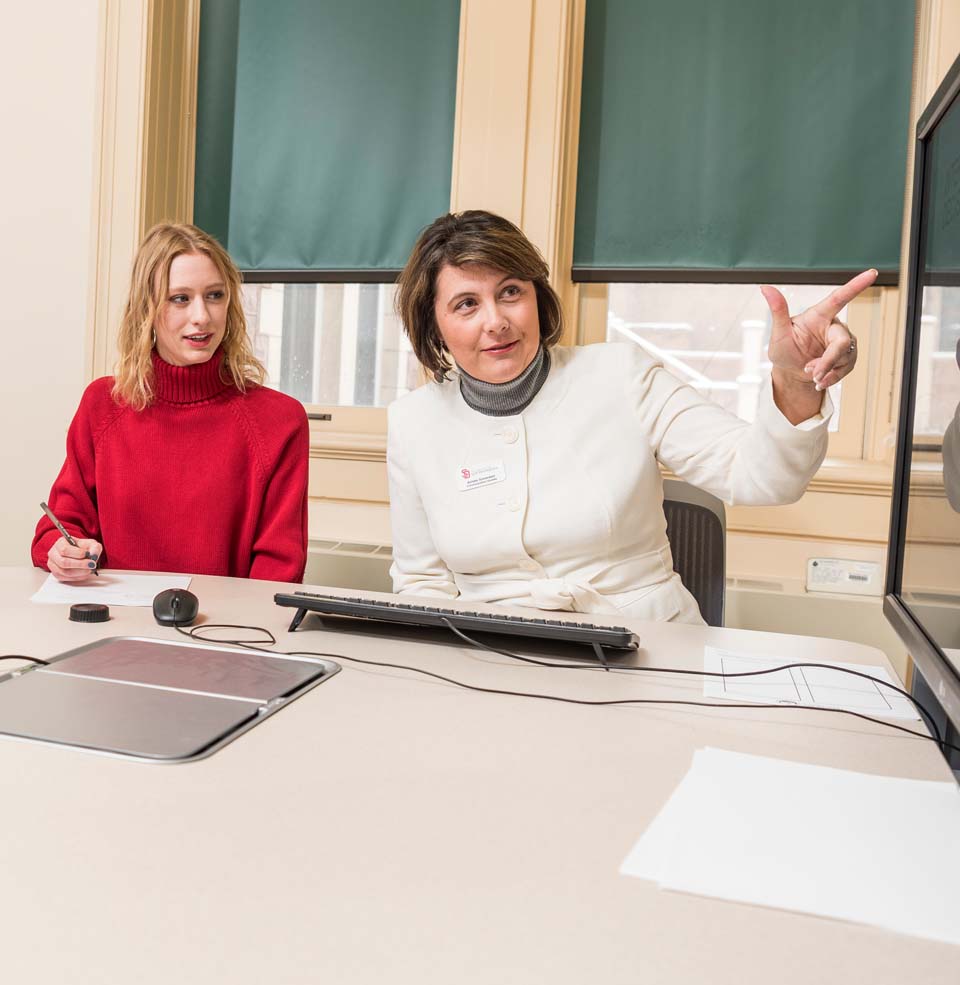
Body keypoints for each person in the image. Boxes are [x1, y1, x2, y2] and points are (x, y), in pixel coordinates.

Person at [388, 209, 877, 624]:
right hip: (492, 655)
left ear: (537, 295)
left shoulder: (621, 374)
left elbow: (761, 478)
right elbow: (422, 583)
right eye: (467, 304)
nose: (495, 320)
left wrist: (794, 379)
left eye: (511, 291)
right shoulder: (413, 423)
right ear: (434, 324)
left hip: (646, 646)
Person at [32, 223, 309, 583]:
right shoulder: (102, 405)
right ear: (146, 307)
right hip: (112, 626)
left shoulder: (279, 421)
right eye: (180, 298)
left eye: (214, 295)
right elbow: (59, 526)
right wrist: (62, 550)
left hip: (222, 633)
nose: (202, 317)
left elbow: (278, 571)